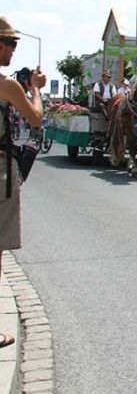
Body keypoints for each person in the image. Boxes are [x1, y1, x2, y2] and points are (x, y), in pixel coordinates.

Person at [0, 17, 46, 349]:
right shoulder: (6, 84)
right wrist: (35, 89)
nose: (14, 50)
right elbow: (35, 117)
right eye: (10, 43)